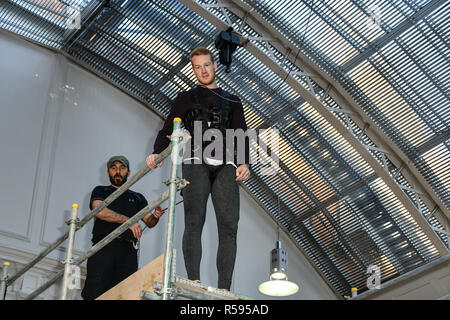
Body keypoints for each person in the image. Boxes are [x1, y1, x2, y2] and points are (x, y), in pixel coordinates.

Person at [146, 47, 250, 290]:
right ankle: (194, 279)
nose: (203, 70)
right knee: (194, 220)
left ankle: (224, 288)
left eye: (207, 65)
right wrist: (157, 151)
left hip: (225, 162)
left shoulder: (232, 100)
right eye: (197, 67)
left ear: (215, 65)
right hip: (194, 159)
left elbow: (241, 133)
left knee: (229, 225)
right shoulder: (185, 98)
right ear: (193, 70)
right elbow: (168, 128)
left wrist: (245, 162)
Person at [81, 155, 164, 300]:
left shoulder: (137, 197)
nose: (117, 171)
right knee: (95, 293)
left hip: (128, 252)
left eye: (122, 168)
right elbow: (99, 210)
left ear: (129, 172)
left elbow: (149, 222)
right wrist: (128, 222)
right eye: (113, 168)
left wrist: (155, 216)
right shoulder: (101, 191)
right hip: (103, 247)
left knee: (125, 295)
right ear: (108, 173)